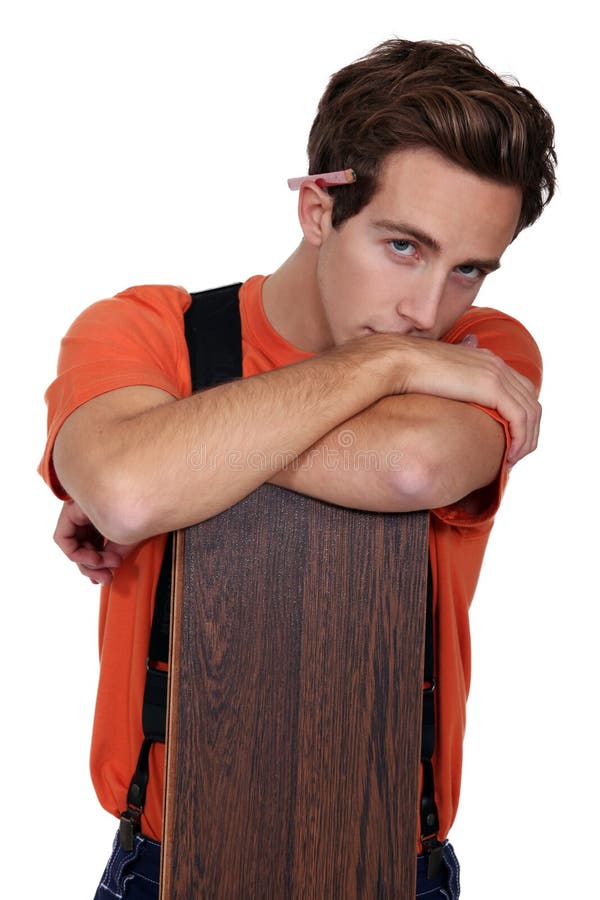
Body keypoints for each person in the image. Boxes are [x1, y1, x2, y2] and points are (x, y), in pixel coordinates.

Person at [40, 38, 556, 899]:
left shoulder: (488, 353)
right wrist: (382, 370)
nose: (426, 311)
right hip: (163, 869)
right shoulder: (141, 327)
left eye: (468, 268)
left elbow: (412, 467)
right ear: (319, 209)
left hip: (399, 869)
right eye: (403, 246)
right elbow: (128, 493)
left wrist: (175, 449)